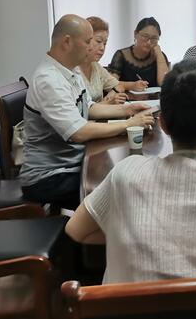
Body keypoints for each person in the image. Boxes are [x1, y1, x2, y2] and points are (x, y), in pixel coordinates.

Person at [65, 60, 196, 284]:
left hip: (131, 308)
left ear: (162, 123)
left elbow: (76, 230)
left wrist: (132, 234)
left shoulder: (126, 174)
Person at [20, 15, 155, 210]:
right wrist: (129, 124)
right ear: (67, 42)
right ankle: (88, 230)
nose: (92, 46)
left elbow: (88, 106)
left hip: (72, 163)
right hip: (49, 176)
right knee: (121, 187)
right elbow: (78, 132)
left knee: (123, 174)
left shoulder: (70, 69)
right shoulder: (48, 80)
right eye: (88, 41)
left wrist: (127, 109)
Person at [79, 16, 139, 104]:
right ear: (85, 40)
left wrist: (109, 98)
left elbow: (119, 86)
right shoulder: (72, 69)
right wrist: (106, 103)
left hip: (103, 112)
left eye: (105, 43)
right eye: (98, 41)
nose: (102, 48)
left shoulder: (96, 67)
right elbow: (78, 110)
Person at [107, 17, 169, 88]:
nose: (149, 42)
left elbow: (164, 84)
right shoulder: (121, 55)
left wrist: (159, 54)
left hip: (154, 95)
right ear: (135, 34)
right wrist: (132, 85)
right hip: (126, 95)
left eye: (154, 38)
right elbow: (110, 84)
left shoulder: (160, 56)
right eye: (145, 36)